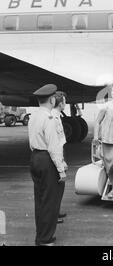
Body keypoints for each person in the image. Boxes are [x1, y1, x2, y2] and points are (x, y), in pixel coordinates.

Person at [28, 84, 66, 246]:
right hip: (46, 159)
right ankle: (44, 239)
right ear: (52, 99)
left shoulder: (34, 116)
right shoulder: (49, 118)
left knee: (41, 200)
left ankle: (41, 236)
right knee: (51, 201)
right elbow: (53, 147)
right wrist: (60, 169)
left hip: (35, 157)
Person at [52, 91, 68, 224]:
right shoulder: (53, 118)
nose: (66, 104)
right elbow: (55, 144)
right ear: (61, 103)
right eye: (64, 101)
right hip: (54, 158)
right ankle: (53, 215)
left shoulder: (56, 116)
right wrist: (60, 165)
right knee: (55, 188)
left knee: (59, 188)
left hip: (58, 156)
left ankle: (55, 211)